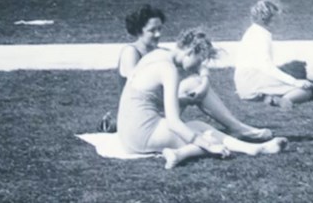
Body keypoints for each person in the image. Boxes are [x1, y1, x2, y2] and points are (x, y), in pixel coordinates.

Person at [117, 28, 289, 169]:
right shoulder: (168, 70)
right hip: (142, 134)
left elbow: (150, 98)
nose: (198, 67)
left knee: (198, 125)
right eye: (199, 61)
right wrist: (208, 145)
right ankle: (253, 148)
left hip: (127, 132)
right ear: (191, 52)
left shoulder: (157, 56)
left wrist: (198, 84)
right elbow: (173, 122)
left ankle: (183, 152)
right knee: (204, 132)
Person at [100, 5, 272, 142]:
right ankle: (239, 129)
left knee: (194, 83)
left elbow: (200, 67)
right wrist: (184, 99)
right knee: (191, 86)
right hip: (140, 113)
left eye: (160, 29)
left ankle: (238, 128)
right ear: (139, 31)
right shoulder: (131, 52)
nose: (158, 34)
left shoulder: (159, 51)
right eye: (152, 30)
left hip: (158, 108)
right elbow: (136, 92)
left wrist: (204, 82)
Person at [234, 0, 313, 108]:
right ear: (267, 19)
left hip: (246, 83)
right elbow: (266, 66)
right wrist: (294, 82)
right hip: (253, 84)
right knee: (305, 90)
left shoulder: (255, 32)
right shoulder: (260, 36)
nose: (279, 21)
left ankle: (271, 98)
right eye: (276, 18)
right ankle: (285, 100)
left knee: (297, 80)